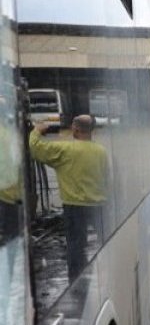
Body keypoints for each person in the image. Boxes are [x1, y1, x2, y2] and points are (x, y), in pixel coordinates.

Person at [28, 115, 108, 281]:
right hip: (99, 204)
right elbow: (106, 178)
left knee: (76, 247)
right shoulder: (101, 151)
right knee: (105, 242)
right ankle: (107, 275)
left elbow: (36, 148)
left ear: (76, 129)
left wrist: (37, 130)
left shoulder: (65, 150)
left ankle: (77, 282)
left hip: (75, 206)